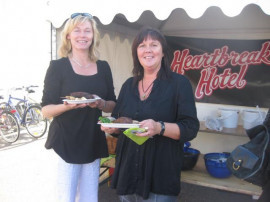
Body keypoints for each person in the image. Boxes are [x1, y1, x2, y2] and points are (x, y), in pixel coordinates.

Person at [101, 27, 199, 201]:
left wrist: (159, 127)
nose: (148, 50)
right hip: (128, 171)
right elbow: (119, 124)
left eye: (154, 44)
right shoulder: (128, 85)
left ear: (163, 52)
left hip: (160, 174)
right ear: (136, 52)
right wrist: (113, 128)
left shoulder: (179, 84)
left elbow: (190, 128)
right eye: (142, 45)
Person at [41, 13, 116, 202]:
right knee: (66, 197)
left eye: (87, 31)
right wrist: (67, 107)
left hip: (93, 139)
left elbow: (112, 104)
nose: (82, 35)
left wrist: (100, 103)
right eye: (77, 30)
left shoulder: (104, 67)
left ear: (93, 36)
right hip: (66, 141)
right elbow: (46, 110)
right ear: (68, 35)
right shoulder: (58, 67)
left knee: (89, 197)